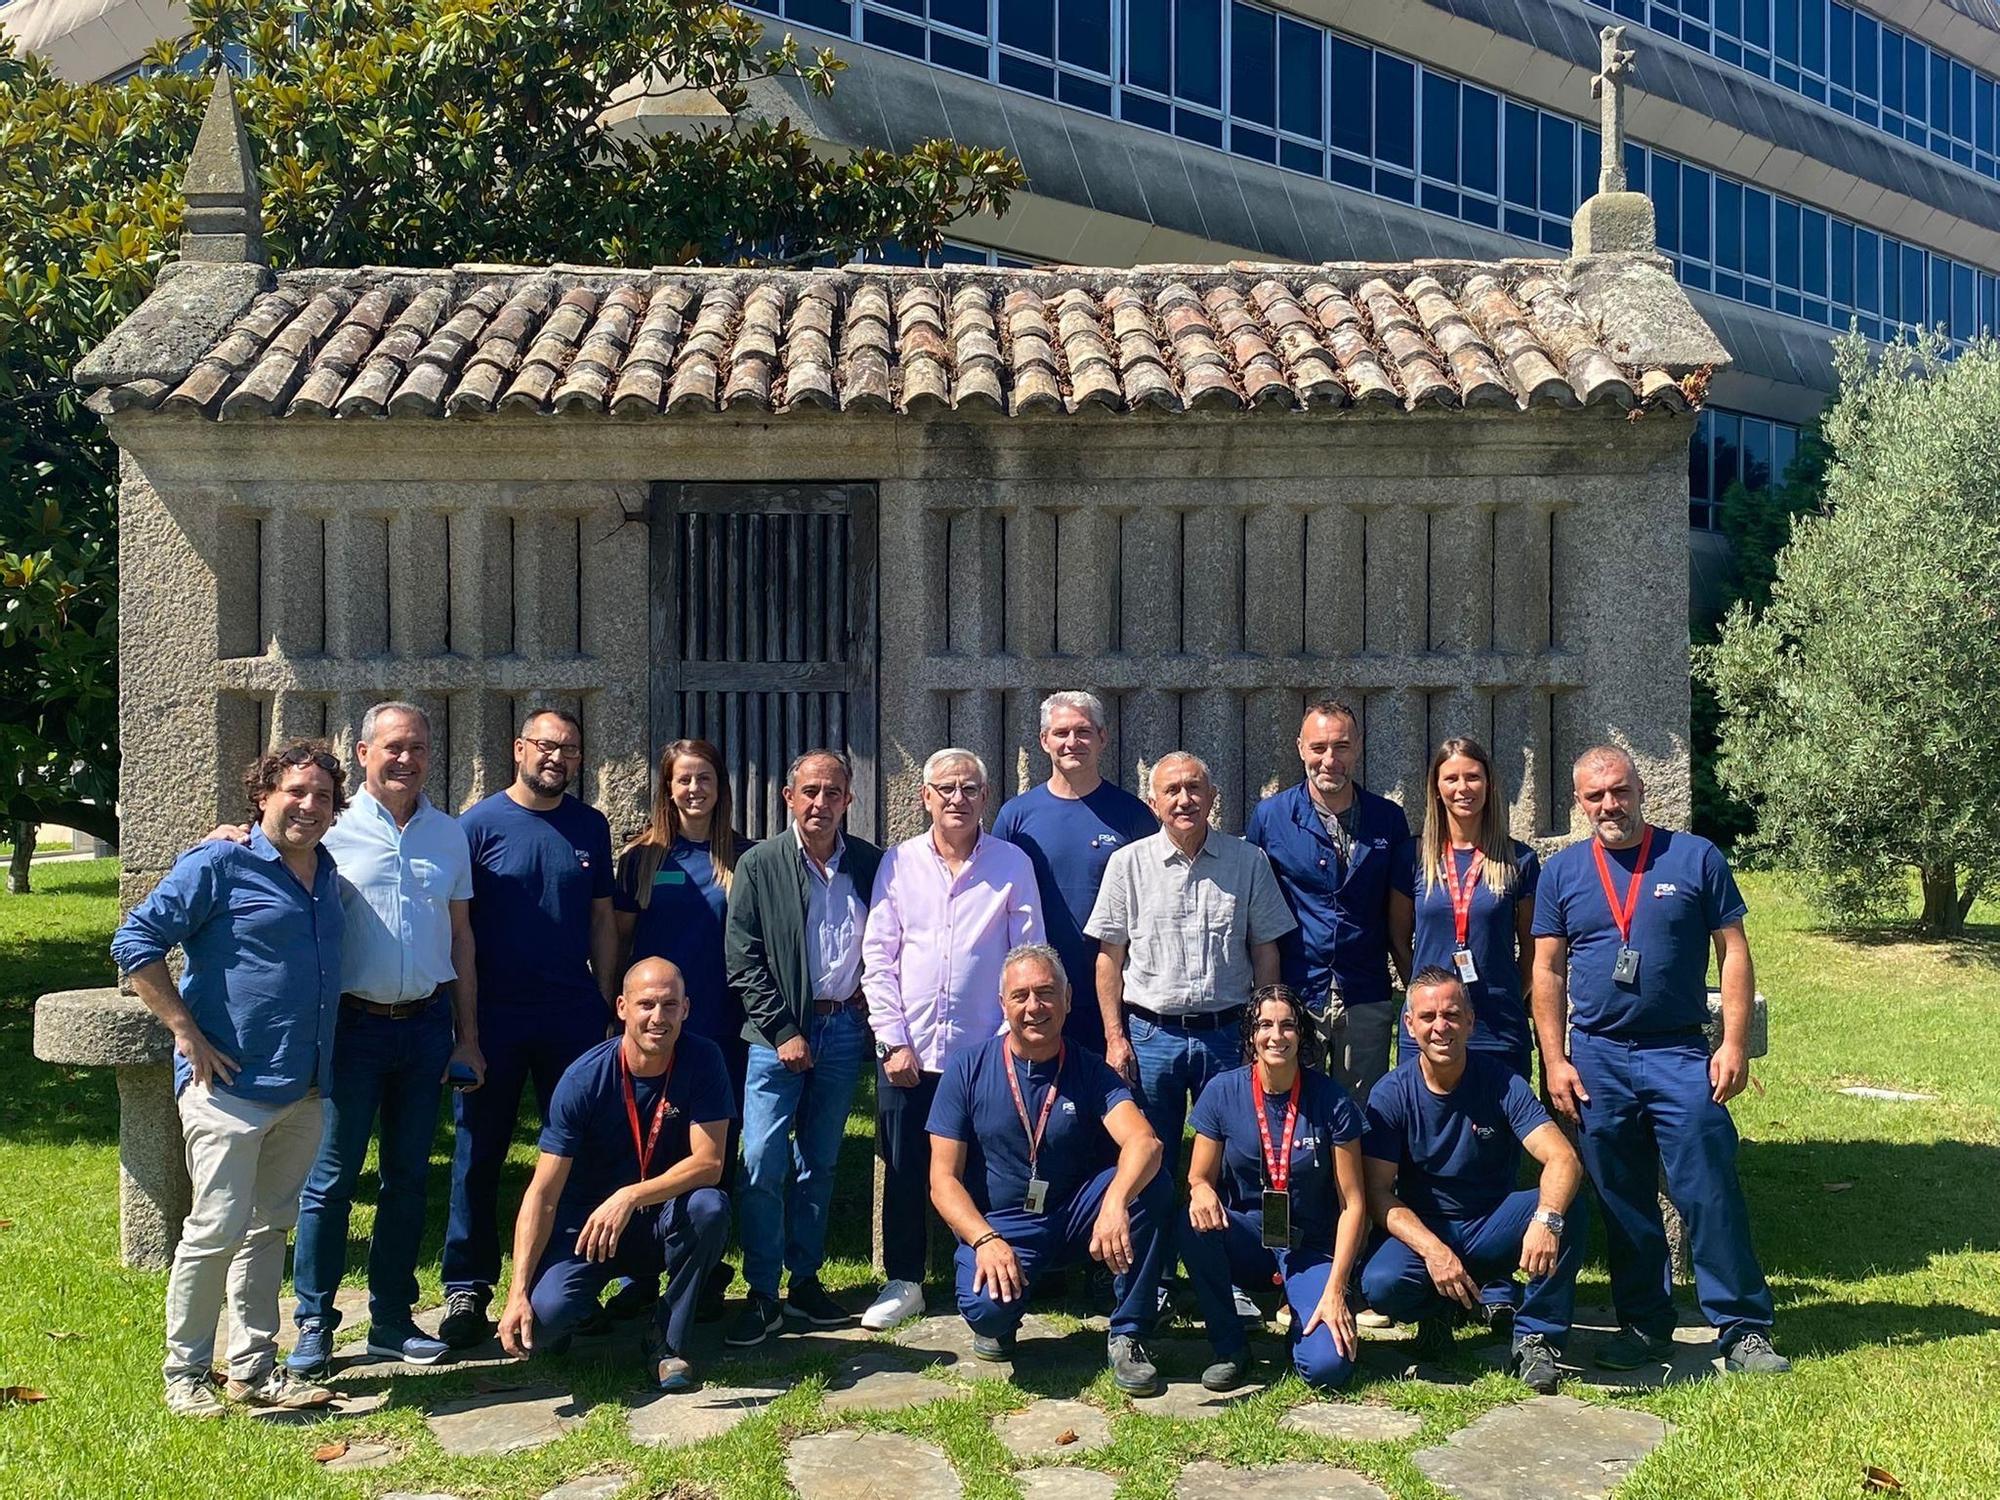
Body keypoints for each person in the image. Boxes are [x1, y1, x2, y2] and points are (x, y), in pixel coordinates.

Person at [1531, 746, 1788, 1375]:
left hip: (1678, 1051)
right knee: (1623, 1199)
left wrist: (1730, 1043)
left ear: (1641, 788)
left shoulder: (1695, 856)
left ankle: (1741, 1327)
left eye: (1619, 791)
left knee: (1709, 1185)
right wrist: (1555, 1058)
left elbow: (1733, 951)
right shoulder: (1562, 873)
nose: (1609, 805)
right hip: (1596, 1057)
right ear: (1579, 803)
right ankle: (1644, 1325)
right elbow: (1546, 968)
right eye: (1595, 796)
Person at [112, 742, 348, 1417]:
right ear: (263, 794)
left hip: (303, 1087)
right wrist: (185, 1033)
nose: (309, 805)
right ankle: (184, 1374)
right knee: (214, 1229)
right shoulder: (219, 861)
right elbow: (135, 943)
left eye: (323, 796)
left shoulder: (327, 871)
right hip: (228, 1091)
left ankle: (252, 1369)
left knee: (268, 1228)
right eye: (296, 791)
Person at [288, 703, 480, 1374]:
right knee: (330, 1182)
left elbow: (460, 937)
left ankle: (393, 1321)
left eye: (419, 748)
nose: (407, 759)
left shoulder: (449, 835)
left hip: (426, 1027)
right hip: (351, 1029)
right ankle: (313, 1322)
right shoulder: (328, 831)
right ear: (363, 753)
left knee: (406, 1180)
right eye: (393, 747)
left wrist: (468, 1036)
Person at [441, 707, 619, 1349]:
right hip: (493, 1018)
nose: (558, 758)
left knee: (576, 1154)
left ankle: (565, 1284)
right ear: (519, 748)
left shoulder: (590, 827)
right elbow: (459, 933)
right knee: (477, 1154)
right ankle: (466, 1288)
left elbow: (602, 920)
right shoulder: (478, 826)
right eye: (547, 745)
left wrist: (604, 1005)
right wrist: (465, 1028)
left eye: (570, 749)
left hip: (572, 1015)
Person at [927, 944, 1169, 1393]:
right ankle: (1003, 1320)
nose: (1034, 1007)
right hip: (1002, 1226)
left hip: (1077, 1215)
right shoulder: (966, 1068)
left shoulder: (1090, 1069)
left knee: (1151, 1181)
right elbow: (942, 1181)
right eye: (1020, 996)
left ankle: (1129, 1333)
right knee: (987, 1308)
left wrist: (1115, 1200)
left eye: (1046, 993)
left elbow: (1145, 1142)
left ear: (1069, 999)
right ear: (1003, 1005)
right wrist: (984, 1240)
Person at [863, 748, 1040, 1332]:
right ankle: (906, 1279)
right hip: (908, 1049)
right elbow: (878, 956)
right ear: (925, 798)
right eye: (945, 789)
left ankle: (991, 1273)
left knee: (986, 1168)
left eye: (968, 788)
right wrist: (891, 1040)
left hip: (984, 1052)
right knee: (906, 1162)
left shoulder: (1012, 863)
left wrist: (1002, 1046)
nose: (956, 799)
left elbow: (1026, 958)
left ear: (984, 797)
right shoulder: (899, 862)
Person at [496, 958, 732, 1393]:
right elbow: (543, 1193)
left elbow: (709, 1163)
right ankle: (580, 1310)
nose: (657, 1018)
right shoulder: (584, 1079)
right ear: (622, 1007)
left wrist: (629, 1196)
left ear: (686, 1009)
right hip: (589, 1227)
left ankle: (667, 1342)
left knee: (710, 1207)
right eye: (646, 1005)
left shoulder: (704, 1059)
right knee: (542, 1329)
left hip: (660, 1218)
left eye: (669, 1005)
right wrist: (517, 1294)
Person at [1359, 968, 1588, 1394]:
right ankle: (1437, 1313)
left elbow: (1563, 1158)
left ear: (1470, 1021)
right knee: (1380, 1285)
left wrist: (1547, 1219)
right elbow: (1376, 1193)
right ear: (1409, 1025)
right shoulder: (1391, 1094)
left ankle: (1537, 1338)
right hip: (1426, 1228)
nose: (1440, 1027)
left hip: (1492, 1225)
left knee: (1567, 1205)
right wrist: (1434, 1251)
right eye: (1427, 1017)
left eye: (1451, 1014)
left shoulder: (1502, 1083)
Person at [725, 750, 884, 1346]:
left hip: (844, 1030)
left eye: (834, 792)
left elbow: (894, 936)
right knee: (763, 1160)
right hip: (775, 1036)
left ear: (849, 799)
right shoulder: (761, 863)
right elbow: (742, 956)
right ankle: (762, 1291)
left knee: (819, 1161)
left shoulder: (870, 863)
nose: (821, 803)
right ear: (789, 797)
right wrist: (782, 1030)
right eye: (810, 791)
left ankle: (806, 1280)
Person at [1086, 751, 1295, 1156]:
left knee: (1235, 1151)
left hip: (1227, 1032)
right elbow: (1109, 957)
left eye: (1194, 788)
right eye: (1172, 790)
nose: (1184, 800)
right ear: (1154, 804)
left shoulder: (1248, 861)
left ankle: (1225, 1219)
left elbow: (1265, 949)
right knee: (1148, 1151)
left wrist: (1265, 1026)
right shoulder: (1127, 864)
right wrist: (1115, 1038)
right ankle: (1157, 1221)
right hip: (1151, 1035)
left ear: (1213, 797)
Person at [613, 737, 748, 1323]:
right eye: (684, 780)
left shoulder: (745, 859)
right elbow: (618, 942)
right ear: (667, 787)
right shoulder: (642, 860)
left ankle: (709, 1268)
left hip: (722, 1028)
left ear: (721, 787)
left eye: (706, 779)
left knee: (718, 1152)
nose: (695, 790)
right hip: (652, 1033)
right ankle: (640, 1273)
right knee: (645, 1146)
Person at [1180, 984, 1368, 1392]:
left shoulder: (1331, 1100)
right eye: (1265, 1025)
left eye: (1287, 1025)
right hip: (1247, 1237)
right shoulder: (1222, 1092)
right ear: (1251, 1035)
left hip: (1310, 1247)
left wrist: (1337, 1289)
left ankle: (1303, 1322)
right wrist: (1200, 1190)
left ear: (1301, 1035)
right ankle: (1230, 1347)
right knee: (1191, 1223)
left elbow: (1354, 1204)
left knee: (1327, 1370)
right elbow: (1197, 1177)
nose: (1276, 1035)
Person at [1246, 700, 1414, 1102]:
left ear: (1357, 748)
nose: (1329, 759)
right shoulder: (1271, 818)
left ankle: (1355, 1169)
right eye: (1318, 747)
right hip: (1298, 989)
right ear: (1300, 748)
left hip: (1365, 989)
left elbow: (1399, 913)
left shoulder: (1387, 818)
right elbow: (1254, 909)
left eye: (1340, 747)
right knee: (1294, 1106)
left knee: (1364, 1108)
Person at [992, 691, 1157, 1055]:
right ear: (1043, 741)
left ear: (1102, 738)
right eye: (1061, 732)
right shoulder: (1015, 818)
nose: (1072, 742)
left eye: (1083, 732)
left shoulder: (1132, 816)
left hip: (1114, 994)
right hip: (1036, 995)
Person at [1400, 735, 1540, 1080]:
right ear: (1436, 788)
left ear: (1489, 784)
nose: (1463, 788)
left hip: (1497, 1024)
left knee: (1503, 1130)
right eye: (1451, 778)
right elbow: (1397, 937)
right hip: (1429, 1028)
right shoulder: (1412, 857)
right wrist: (1422, 993)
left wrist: (1503, 991)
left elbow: (1534, 949)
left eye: (1473, 777)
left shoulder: (1518, 860)